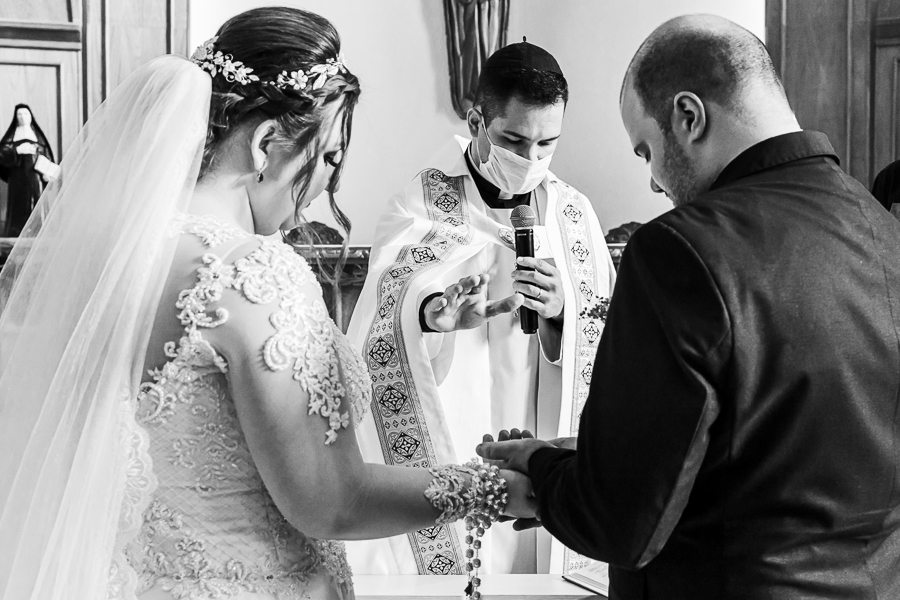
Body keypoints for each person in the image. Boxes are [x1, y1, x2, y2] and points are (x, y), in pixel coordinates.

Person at [0, 8, 535, 600]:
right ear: (265, 144)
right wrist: (493, 488)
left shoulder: (111, 260)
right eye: (329, 158)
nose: (328, 187)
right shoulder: (254, 274)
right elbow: (333, 501)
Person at [478, 14, 900, 600]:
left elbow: (621, 519)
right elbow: (785, 451)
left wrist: (544, 471)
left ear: (688, 116)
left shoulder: (682, 249)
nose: (652, 183)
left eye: (646, 149)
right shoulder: (883, 231)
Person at [345, 41, 616, 576]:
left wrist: (564, 312)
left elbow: (608, 335)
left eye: (547, 144)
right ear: (476, 120)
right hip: (455, 418)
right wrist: (429, 315)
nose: (531, 159)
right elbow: (383, 311)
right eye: (514, 140)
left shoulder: (575, 214)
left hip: (542, 422)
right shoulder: (420, 202)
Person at [0, 104, 55, 236]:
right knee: (18, 207)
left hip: (36, 179)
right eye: (19, 114)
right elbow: (2, 155)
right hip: (17, 179)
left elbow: (46, 156)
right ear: (16, 117)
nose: (23, 117)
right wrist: (17, 150)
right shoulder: (11, 137)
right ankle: (16, 233)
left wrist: (48, 173)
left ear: (30, 116)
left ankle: (40, 232)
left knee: (37, 204)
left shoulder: (38, 136)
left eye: (25, 114)